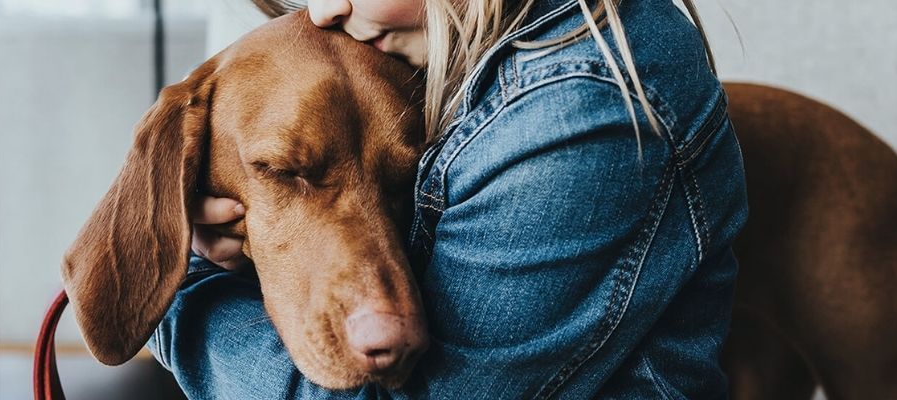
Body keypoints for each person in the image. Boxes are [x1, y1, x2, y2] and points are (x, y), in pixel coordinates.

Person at [148, 0, 749, 397]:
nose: (327, 6)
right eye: (284, 170)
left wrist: (178, 290)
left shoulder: (581, 106)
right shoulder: (441, 66)